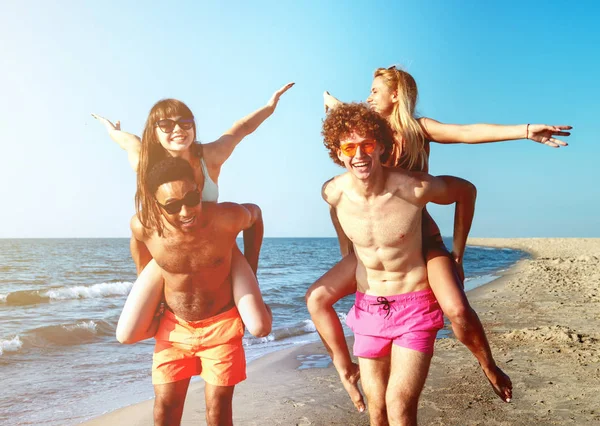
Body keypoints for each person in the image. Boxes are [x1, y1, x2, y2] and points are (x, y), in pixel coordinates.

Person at [307, 67, 571, 411]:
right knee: (316, 299)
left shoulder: (417, 130)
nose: (369, 97)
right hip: (380, 244)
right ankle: (345, 369)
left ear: (396, 95)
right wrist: (348, 250)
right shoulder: (367, 136)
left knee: (458, 310)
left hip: (422, 239)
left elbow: (466, 133)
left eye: (375, 91)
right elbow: (341, 180)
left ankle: (488, 365)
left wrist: (523, 131)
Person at [320, 102, 486, 425]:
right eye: (349, 147)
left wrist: (457, 254)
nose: (359, 154)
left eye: (367, 144)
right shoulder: (333, 193)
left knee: (398, 405)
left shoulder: (413, 187)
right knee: (377, 409)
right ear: (338, 153)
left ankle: (489, 364)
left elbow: (465, 191)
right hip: (369, 308)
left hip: (414, 306)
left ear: (381, 146)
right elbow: (336, 212)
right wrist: (347, 252)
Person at [93, 82, 293, 340]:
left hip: (218, 248)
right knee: (126, 335)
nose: (178, 129)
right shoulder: (146, 162)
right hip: (171, 252)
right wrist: (111, 129)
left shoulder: (209, 156)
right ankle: (174, 328)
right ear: (154, 132)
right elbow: (127, 142)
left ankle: (255, 307)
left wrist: (269, 107)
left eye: (185, 122)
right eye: (166, 125)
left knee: (258, 327)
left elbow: (240, 129)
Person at [121, 156, 263, 426]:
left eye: (191, 199)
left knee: (217, 412)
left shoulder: (226, 217)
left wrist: (249, 272)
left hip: (222, 325)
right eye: (173, 205)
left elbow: (255, 215)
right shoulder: (145, 227)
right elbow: (138, 241)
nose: (186, 211)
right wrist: (146, 286)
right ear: (156, 205)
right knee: (165, 409)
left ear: (199, 190)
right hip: (174, 328)